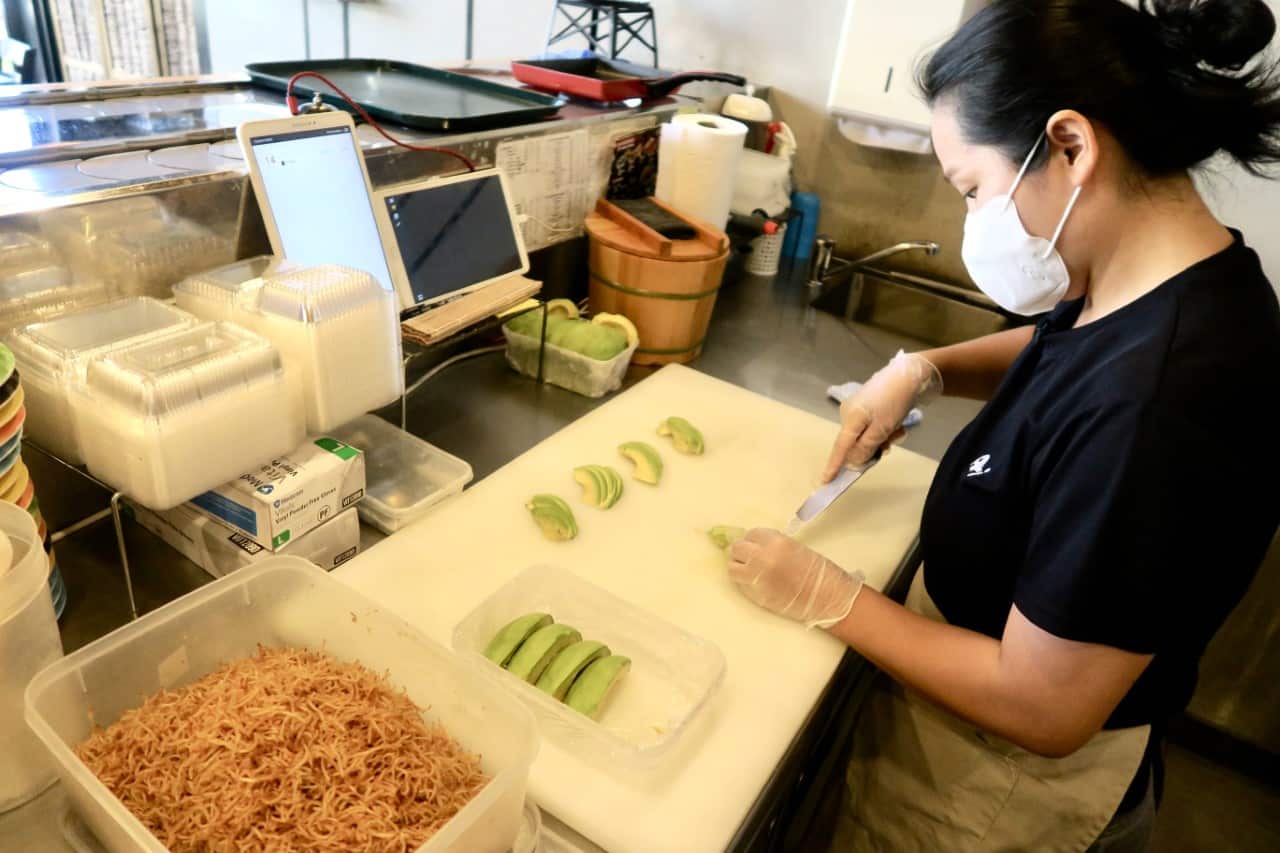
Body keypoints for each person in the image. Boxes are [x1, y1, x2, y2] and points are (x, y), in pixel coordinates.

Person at [727, 1, 1280, 850]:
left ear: (1071, 146)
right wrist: (928, 368)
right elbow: (1073, 347)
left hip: (997, 783)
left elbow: (1042, 705)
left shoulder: (1162, 404)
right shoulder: (1172, 280)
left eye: (974, 189)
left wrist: (827, 596)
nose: (972, 221)